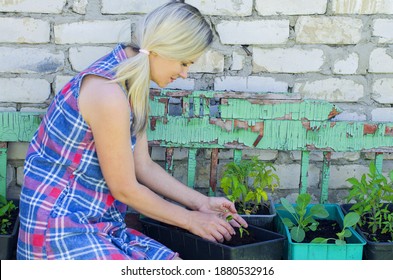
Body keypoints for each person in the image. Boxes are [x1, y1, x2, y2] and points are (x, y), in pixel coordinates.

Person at [17, 1, 247, 260]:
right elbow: (125, 189)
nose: (185, 73)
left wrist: (201, 203)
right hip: (61, 229)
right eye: (184, 62)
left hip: (99, 222)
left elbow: (143, 166)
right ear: (162, 49)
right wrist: (190, 220)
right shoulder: (107, 93)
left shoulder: (131, 81)